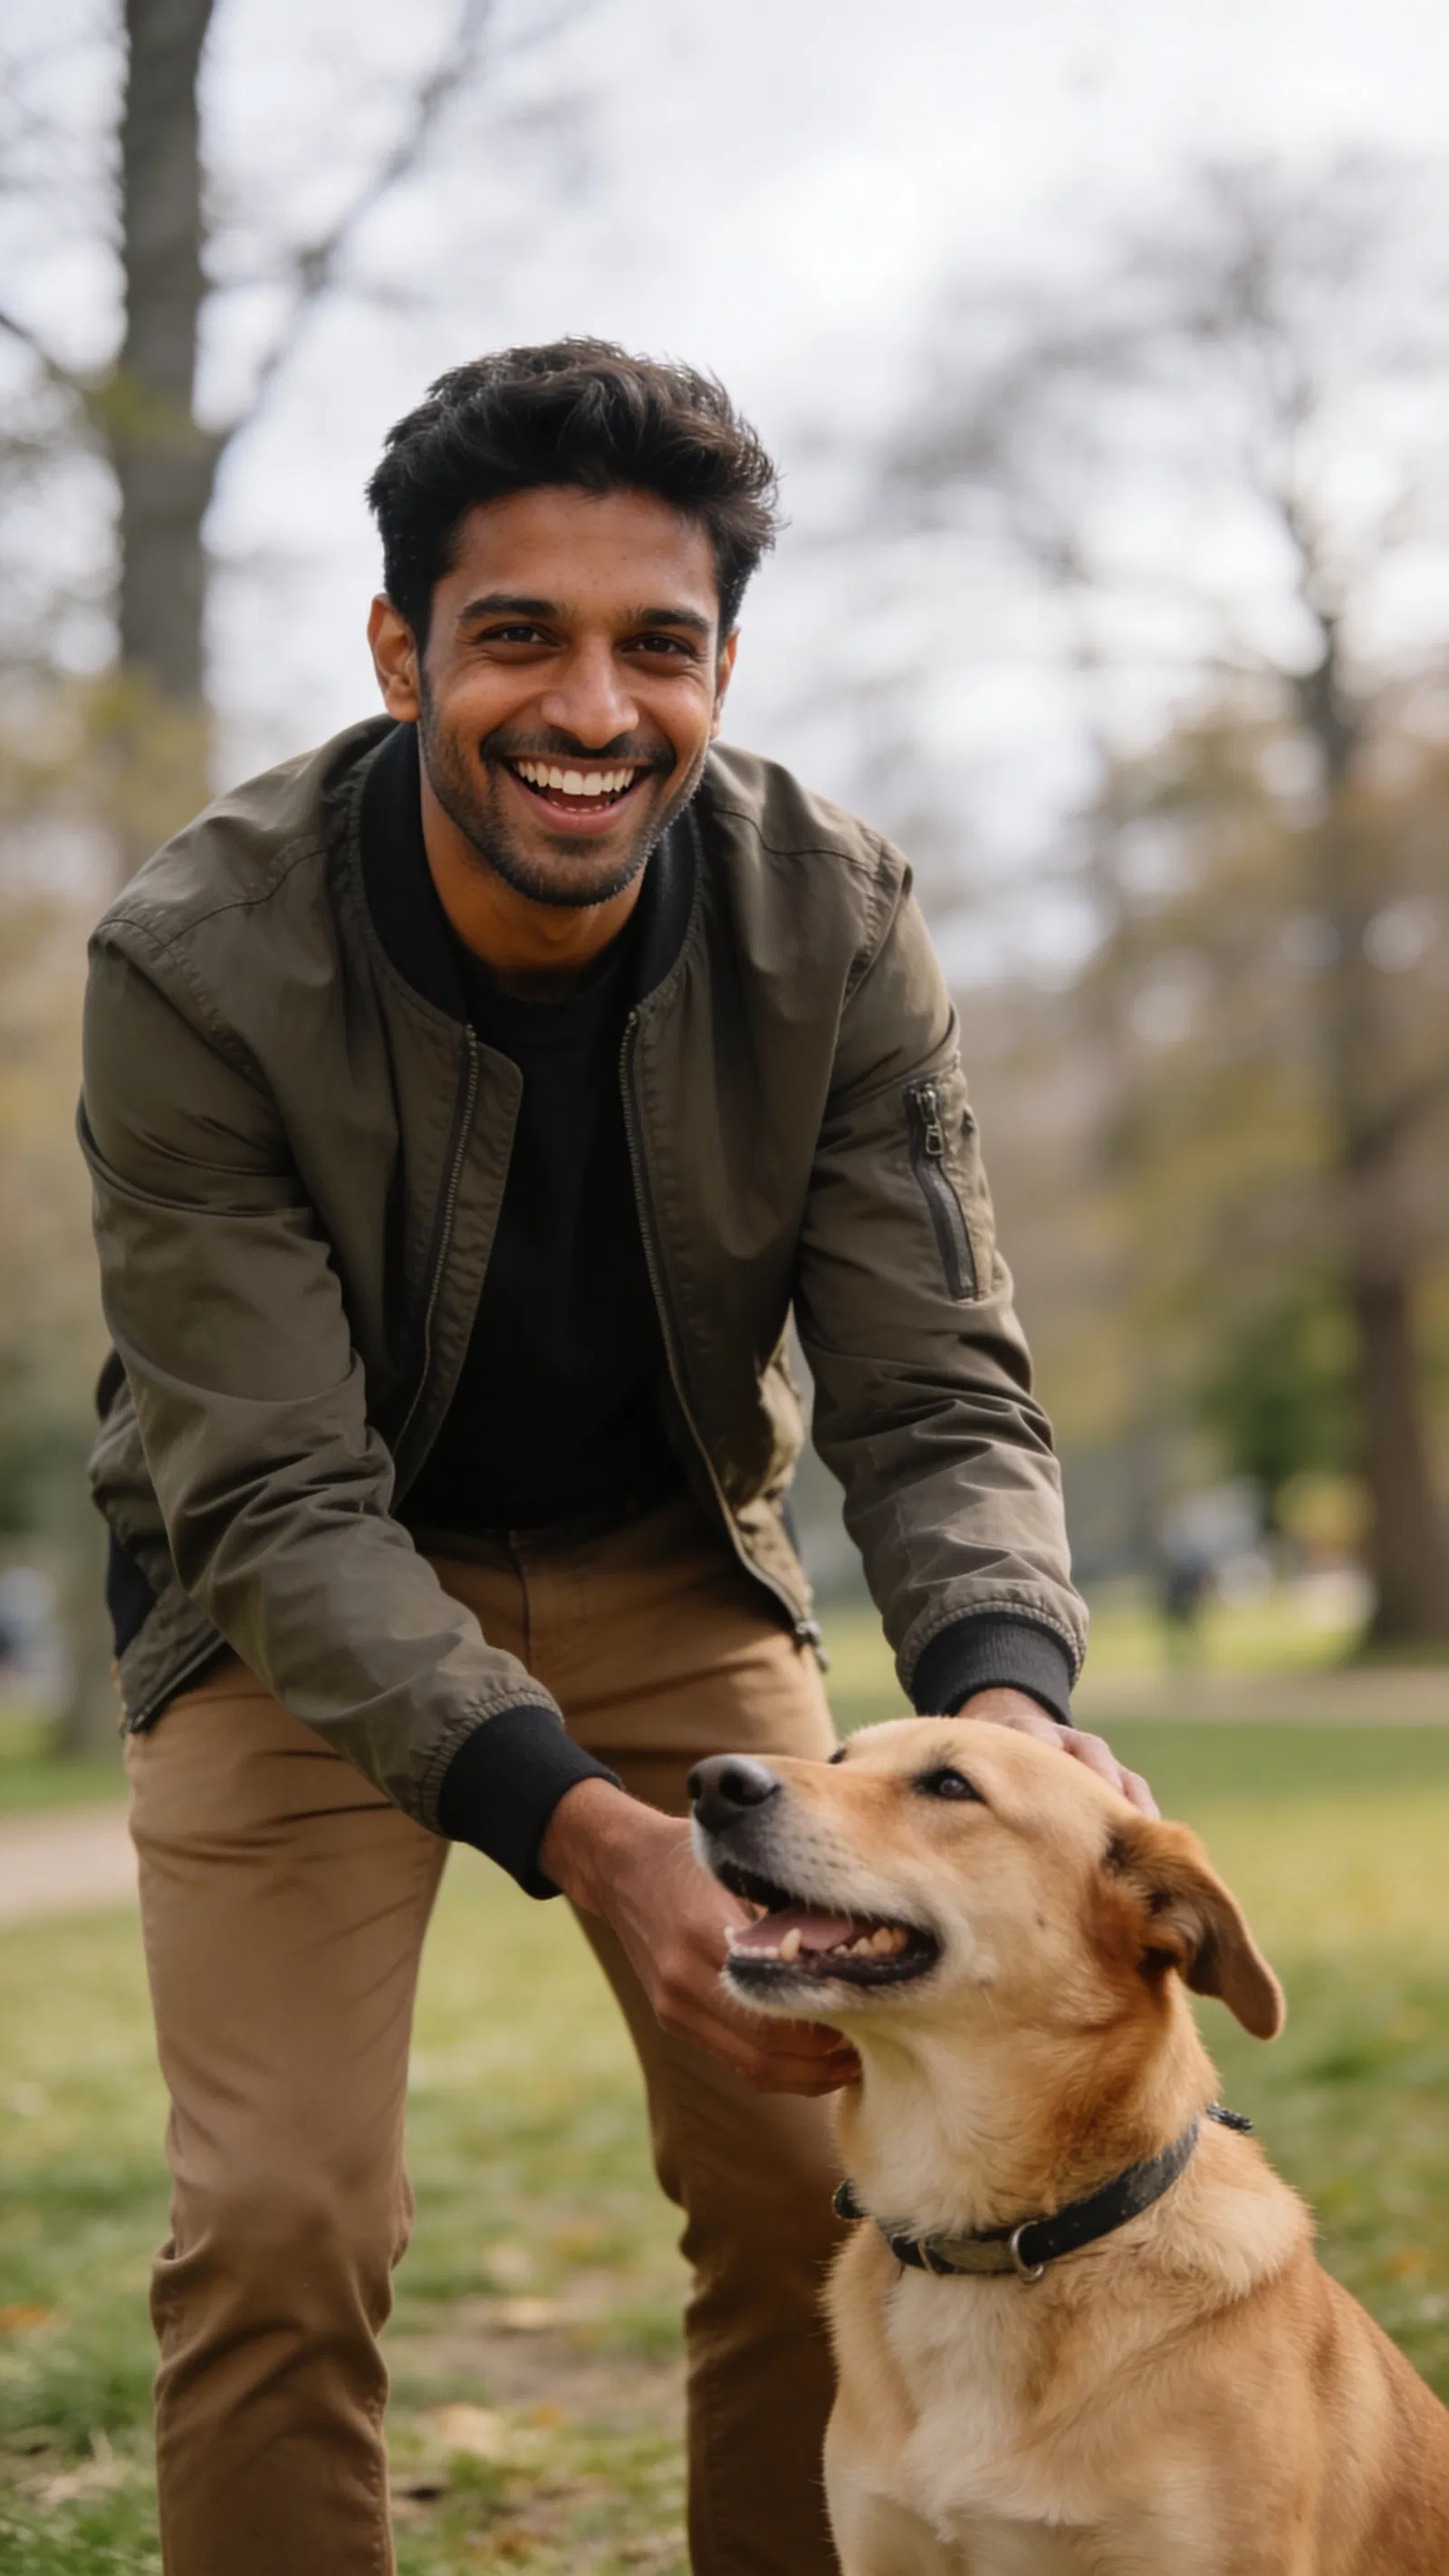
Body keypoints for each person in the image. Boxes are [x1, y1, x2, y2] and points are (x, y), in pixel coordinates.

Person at [80, 340, 1153, 2576]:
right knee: (281, 2224)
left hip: (672, 1565)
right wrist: (581, 1832)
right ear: (401, 651)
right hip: (287, 1606)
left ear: (723, 663)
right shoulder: (196, 961)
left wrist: (999, 1713)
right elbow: (269, 1491)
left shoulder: (832, 922)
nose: (592, 708)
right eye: (517, 639)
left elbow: (934, 1384)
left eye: (655, 645)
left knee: (811, 2190)